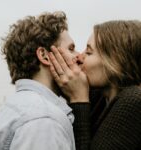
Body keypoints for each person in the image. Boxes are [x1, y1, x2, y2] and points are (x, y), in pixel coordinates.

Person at [0, 11, 78, 150]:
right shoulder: (43, 119)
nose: (78, 56)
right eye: (71, 49)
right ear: (44, 56)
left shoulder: (11, 108)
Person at [49, 20, 141, 150]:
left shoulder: (134, 100)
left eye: (89, 52)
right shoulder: (101, 98)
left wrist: (79, 100)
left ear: (115, 62)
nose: (79, 57)